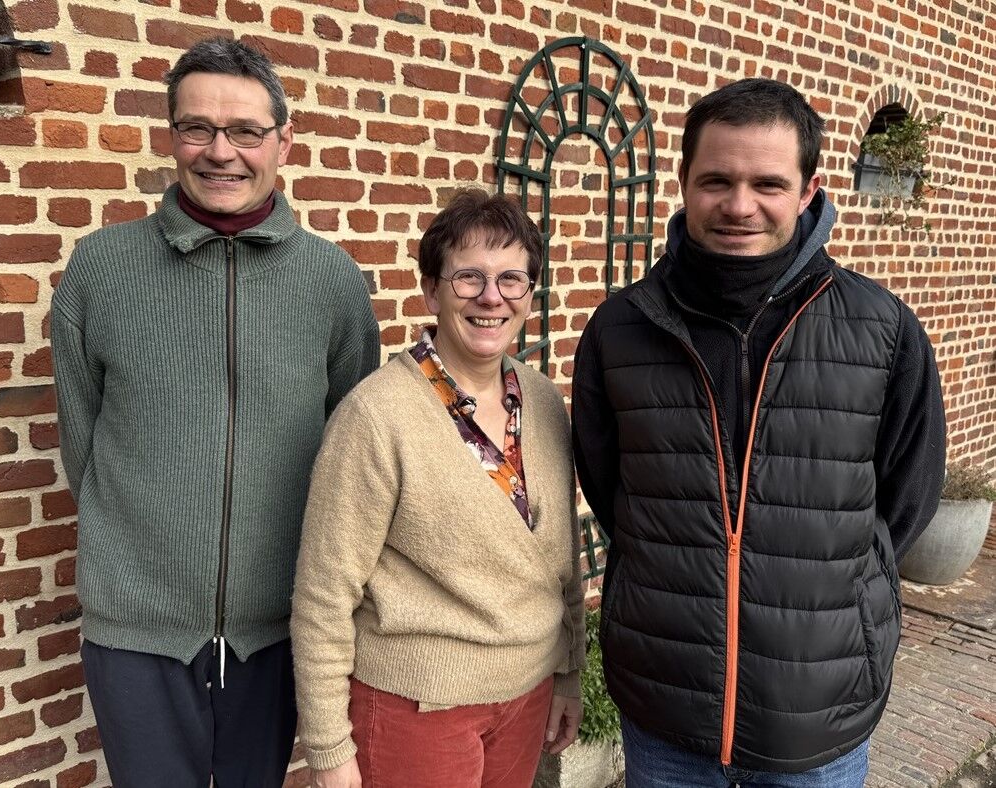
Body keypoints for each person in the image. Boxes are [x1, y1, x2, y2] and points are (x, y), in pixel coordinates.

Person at [572, 78, 945, 787]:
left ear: (808, 190)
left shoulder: (883, 330)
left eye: (766, 183)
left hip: (819, 710)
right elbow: (611, 485)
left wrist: (828, 594)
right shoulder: (619, 329)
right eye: (716, 180)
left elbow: (903, 500)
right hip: (665, 700)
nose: (738, 206)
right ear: (683, 182)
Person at [51, 38, 379, 787]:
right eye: (196, 127)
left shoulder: (332, 281)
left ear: (283, 142)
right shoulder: (101, 270)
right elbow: (84, 441)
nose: (219, 152)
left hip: (279, 626)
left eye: (244, 132)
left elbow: (347, 447)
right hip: (136, 625)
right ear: (171, 136)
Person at [291, 188, 586, 788]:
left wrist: (568, 672)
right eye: (468, 278)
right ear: (431, 290)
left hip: (526, 696)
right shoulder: (377, 415)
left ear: (530, 295)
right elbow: (324, 593)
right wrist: (327, 747)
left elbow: (565, 561)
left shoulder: (545, 402)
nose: (491, 298)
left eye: (512, 280)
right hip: (417, 706)